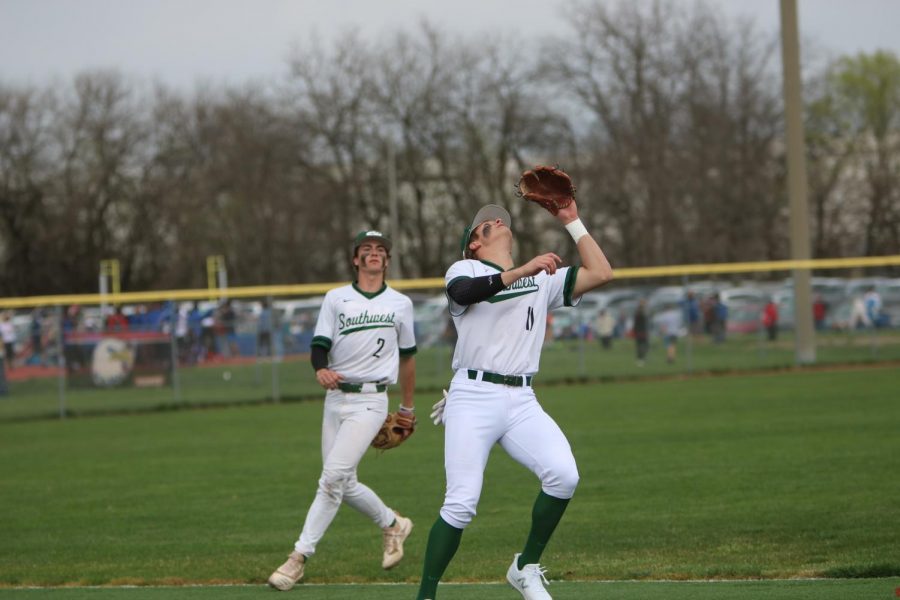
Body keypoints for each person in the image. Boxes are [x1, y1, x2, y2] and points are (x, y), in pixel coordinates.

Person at [415, 200, 613, 600]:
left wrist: (570, 221)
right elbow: (464, 293)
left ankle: (525, 567)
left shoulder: (542, 277)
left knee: (564, 476)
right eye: (485, 223)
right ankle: (426, 596)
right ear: (473, 244)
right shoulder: (465, 268)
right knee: (461, 503)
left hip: (522, 398)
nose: (495, 221)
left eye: (498, 219)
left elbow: (601, 272)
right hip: (472, 396)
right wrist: (523, 270)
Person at [268, 230, 417, 591]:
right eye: (366, 249)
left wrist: (407, 408)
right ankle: (393, 524)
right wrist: (320, 368)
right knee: (343, 481)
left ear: (387, 260)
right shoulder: (336, 299)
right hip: (336, 399)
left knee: (332, 478)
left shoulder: (400, 304)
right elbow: (320, 344)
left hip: (371, 400)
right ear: (355, 259)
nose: (374, 254)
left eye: (380, 250)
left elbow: (408, 359)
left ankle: (298, 558)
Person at [632, 300, 649, 366]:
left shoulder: (638, 313)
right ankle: (641, 358)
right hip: (642, 331)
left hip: (640, 331)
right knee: (642, 346)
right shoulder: (641, 314)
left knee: (641, 346)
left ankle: (641, 358)